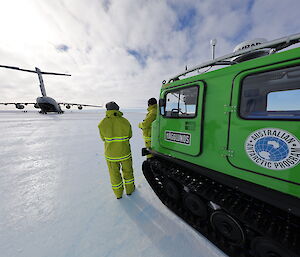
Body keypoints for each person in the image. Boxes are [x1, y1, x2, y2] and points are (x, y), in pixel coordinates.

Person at [98, 101, 135, 199]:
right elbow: (130, 135)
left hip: (111, 155)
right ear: (117, 109)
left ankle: (118, 194)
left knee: (114, 175)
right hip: (125, 153)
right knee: (128, 172)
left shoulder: (102, 123)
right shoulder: (125, 121)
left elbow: (103, 138)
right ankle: (130, 190)